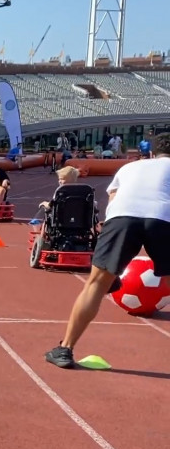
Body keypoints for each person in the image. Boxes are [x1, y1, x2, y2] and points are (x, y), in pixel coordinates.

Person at [45, 134, 170, 369]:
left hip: (121, 216)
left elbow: (112, 200)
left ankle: (65, 349)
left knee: (95, 284)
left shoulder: (130, 167)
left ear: (151, 153)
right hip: (163, 216)